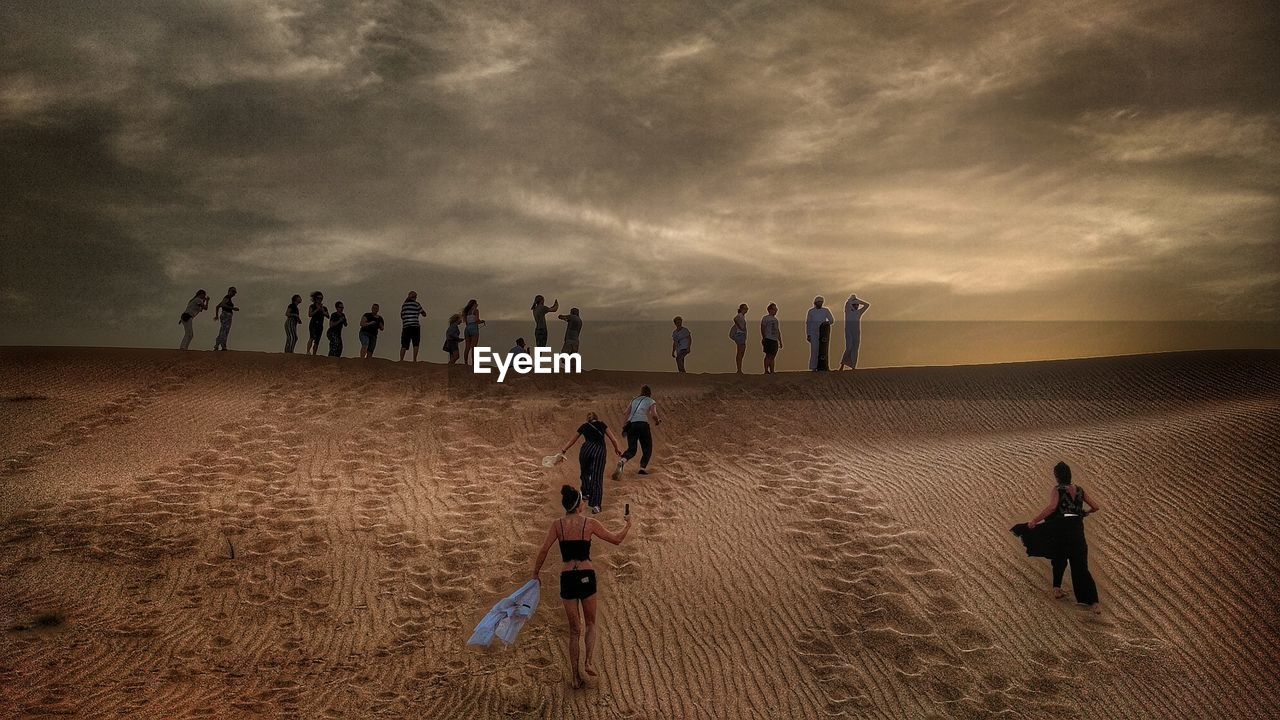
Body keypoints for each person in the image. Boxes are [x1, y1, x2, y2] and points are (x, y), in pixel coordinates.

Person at [531, 485, 633, 689]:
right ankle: (588, 661)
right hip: (586, 575)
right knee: (591, 624)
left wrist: (536, 573)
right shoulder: (589, 523)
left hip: (567, 577)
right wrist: (628, 525)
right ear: (578, 505)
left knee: (574, 630)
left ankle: (575, 677)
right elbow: (617, 539)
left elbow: (543, 551)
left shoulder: (557, 525)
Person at [1026, 461, 1102, 613]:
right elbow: (1096, 506)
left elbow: (1053, 507)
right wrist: (1084, 512)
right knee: (1081, 566)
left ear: (1058, 477)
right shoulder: (1080, 490)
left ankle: (1056, 589)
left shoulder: (1058, 489)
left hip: (1062, 530)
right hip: (1077, 531)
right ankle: (1094, 603)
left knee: (1059, 559)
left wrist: (1035, 520)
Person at [556, 412, 623, 513]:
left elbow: (572, 440)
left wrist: (563, 450)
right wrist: (617, 449)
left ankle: (586, 493)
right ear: (596, 418)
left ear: (588, 419)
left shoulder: (584, 426)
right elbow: (613, 439)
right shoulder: (602, 424)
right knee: (597, 477)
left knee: (585, 472)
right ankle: (596, 505)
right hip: (599, 450)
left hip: (586, 449)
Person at [615, 385, 661, 478]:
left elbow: (626, 413)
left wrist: (624, 426)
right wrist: (657, 421)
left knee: (632, 449)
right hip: (643, 425)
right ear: (649, 393)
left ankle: (623, 460)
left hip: (632, 425)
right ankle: (642, 468)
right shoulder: (651, 401)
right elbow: (654, 414)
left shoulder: (634, 400)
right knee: (647, 447)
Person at [838, 294, 871, 370]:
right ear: (852, 305)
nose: (856, 306)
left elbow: (867, 305)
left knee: (855, 349)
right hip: (848, 331)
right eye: (855, 305)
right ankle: (842, 366)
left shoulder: (859, 312)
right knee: (849, 348)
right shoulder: (848, 310)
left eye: (857, 305)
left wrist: (858, 300)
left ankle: (853, 367)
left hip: (856, 332)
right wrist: (853, 298)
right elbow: (848, 302)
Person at [804, 296, 834, 371]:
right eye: (818, 302)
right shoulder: (811, 311)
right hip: (813, 333)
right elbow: (808, 323)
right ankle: (813, 367)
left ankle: (823, 366)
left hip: (823, 334)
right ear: (815, 303)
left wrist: (825, 324)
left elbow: (831, 320)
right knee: (814, 350)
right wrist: (808, 334)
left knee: (824, 350)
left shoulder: (825, 310)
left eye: (821, 302)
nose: (820, 303)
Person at [400, 291, 426, 362]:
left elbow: (402, 316)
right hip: (415, 326)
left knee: (404, 344)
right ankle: (414, 359)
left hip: (406, 327)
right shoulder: (417, 304)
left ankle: (401, 360)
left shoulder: (404, 305)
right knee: (416, 343)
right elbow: (424, 314)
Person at [760, 303, 782, 374]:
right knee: (768, 355)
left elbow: (777, 330)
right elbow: (762, 328)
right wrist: (764, 337)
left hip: (774, 339)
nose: (776, 311)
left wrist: (780, 340)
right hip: (768, 338)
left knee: (773, 355)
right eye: (774, 309)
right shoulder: (766, 318)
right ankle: (766, 370)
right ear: (770, 310)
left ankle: (772, 370)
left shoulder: (775, 319)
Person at [462, 299, 485, 365]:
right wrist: (482, 321)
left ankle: (465, 362)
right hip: (474, 328)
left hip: (467, 328)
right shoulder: (475, 311)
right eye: (476, 304)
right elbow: (477, 320)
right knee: (474, 347)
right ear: (474, 304)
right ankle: (473, 363)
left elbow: (466, 322)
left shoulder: (466, 312)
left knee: (467, 347)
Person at [306, 291, 328, 356]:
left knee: (317, 340)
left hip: (320, 325)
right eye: (318, 298)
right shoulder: (312, 306)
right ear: (315, 298)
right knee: (311, 337)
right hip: (313, 324)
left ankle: (314, 354)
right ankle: (308, 351)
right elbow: (310, 314)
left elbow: (328, 316)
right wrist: (317, 309)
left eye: (321, 298)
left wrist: (323, 311)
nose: (320, 300)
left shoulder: (324, 308)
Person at [729, 303, 749, 374]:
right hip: (740, 334)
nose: (746, 309)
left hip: (742, 334)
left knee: (741, 351)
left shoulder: (742, 316)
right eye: (745, 308)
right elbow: (735, 319)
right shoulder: (740, 315)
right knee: (740, 351)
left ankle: (739, 369)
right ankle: (739, 370)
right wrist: (740, 327)